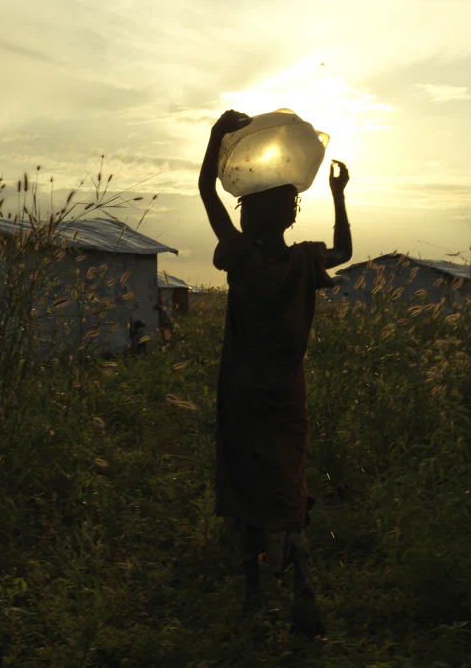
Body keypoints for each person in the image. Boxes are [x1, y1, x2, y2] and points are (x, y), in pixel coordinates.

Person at [199, 109, 352, 636]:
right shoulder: (305, 262)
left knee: (246, 481)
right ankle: (302, 576)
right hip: (287, 394)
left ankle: (251, 592)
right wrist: (338, 194)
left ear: (246, 218)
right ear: (290, 217)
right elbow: (346, 250)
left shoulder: (240, 256)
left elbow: (205, 190)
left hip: (243, 392)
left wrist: (218, 135)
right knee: (286, 478)